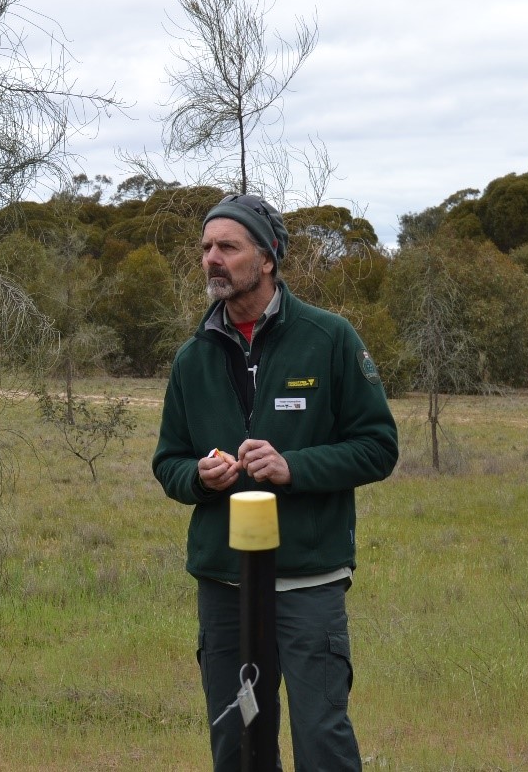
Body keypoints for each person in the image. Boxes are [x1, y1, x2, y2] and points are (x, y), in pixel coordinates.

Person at [151, 193, 397, 772]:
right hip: (225, 583)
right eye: (206, 247)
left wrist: (295, 467)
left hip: (307, 581)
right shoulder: (193, 357)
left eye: (228, 247)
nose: (212, 258)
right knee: (238, 742)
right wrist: (201, 478)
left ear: (267, 258)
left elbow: (378, 447)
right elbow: (168, 464)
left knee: (322, 739)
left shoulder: (329, 338)